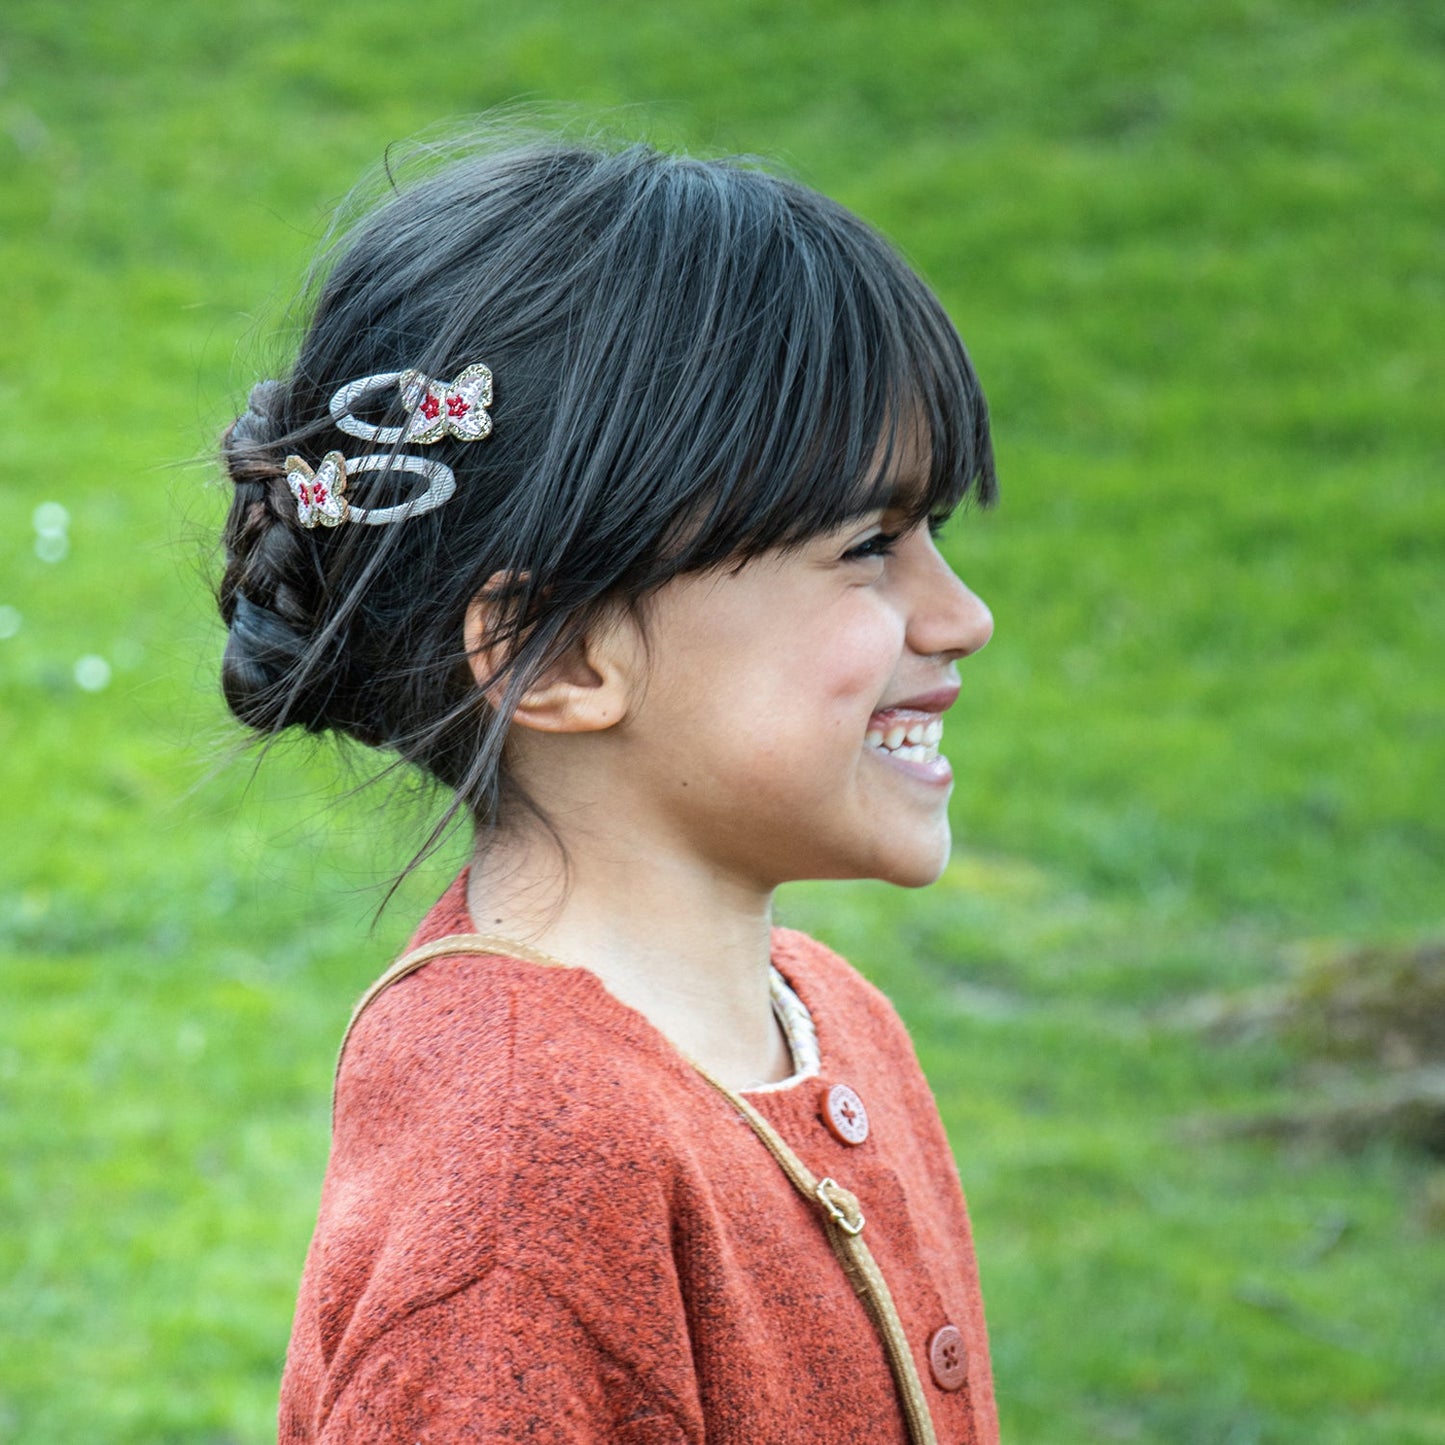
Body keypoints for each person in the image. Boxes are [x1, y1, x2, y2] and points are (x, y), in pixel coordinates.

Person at [218, 132, 1000, 1444]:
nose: (960, 615)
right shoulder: (525, 1189)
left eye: (936, 536)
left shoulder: (830, 1020)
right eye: (868, 545)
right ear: (561, 652)